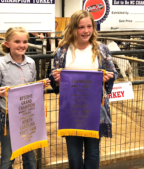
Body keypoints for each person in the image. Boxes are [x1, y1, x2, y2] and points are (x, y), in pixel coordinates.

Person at [49, 10, 118, 169]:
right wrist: (56, 79)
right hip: (71, 110)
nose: (86, 31)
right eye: (81, 27)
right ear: (73, 28)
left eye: (89, 26)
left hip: (95, 109)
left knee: (93, 151)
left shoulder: (102, 49)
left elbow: (113, 72)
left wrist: (108, 77)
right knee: (73, 153)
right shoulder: (63, 51)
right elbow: (53, 76)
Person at [0, 27, 50, 169]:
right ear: (8, 44)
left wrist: (40, 85)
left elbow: (30, 89)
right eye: (17, 42)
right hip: (8, 117)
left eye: (25, 41)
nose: (22, 45)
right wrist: (0, 94)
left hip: (27, 116)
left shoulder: (31, 63)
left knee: (30, 157)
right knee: (8, 158)